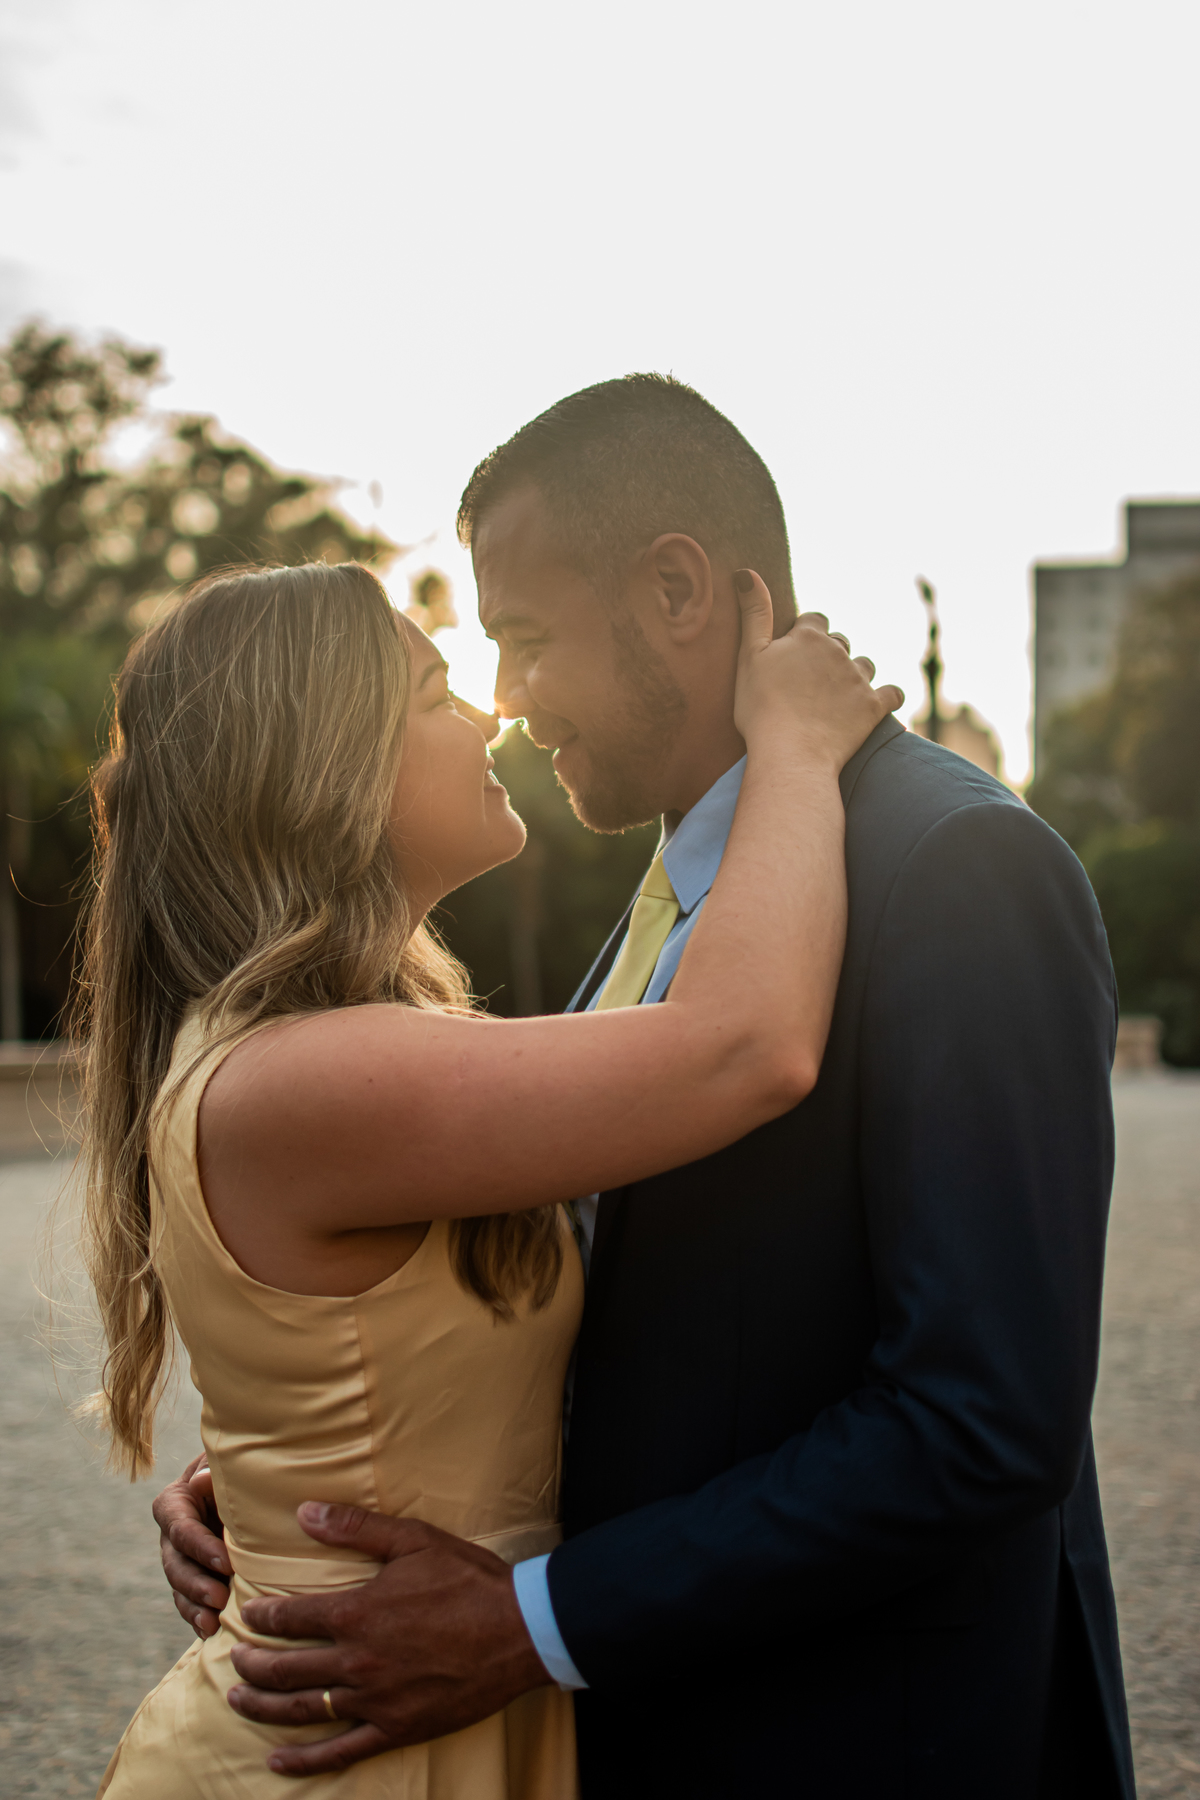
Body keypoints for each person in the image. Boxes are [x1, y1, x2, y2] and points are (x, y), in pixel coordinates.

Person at [157, 377, 1136, 1799]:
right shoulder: (679, 893)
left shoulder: (954, 867)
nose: (504, 699)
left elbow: (981, 1419)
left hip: (859, 1745)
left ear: (677, 590)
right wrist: (294, 1483)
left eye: (524, 638)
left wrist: (539, 1622)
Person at [80, 552, 894, 1798]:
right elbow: (748, 1048)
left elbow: (376, 1361)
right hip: (333, 1759)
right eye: (434, 694)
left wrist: (260, 1484)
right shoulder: (303, 1078)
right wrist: (794, 741)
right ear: (323, 770)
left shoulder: (314, 1057)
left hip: (417, 1716)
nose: (491, 712)